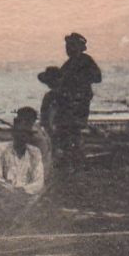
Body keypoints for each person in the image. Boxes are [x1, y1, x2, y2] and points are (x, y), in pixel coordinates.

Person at [52, 33, 102, 165]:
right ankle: (71, 156)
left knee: (73, 129)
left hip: (79, 102)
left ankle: (76, 158)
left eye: (71, 46)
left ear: (79, 47)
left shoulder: (86, 61)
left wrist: (79, 79)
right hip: (67, 102)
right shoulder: (68, 64)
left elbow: (98, 77)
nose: (68, 49)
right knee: (66, 130)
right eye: (67, 46)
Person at [0, 116, 46, 217]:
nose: (22, 136)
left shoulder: (35, 152)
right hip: (5, 195)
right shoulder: (1, 148)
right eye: (19, 133)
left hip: (27, 196)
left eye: (26, 134)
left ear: (29, 136)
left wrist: (23, 191)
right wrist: (12, 191)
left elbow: (38, 181)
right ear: (13, 134)